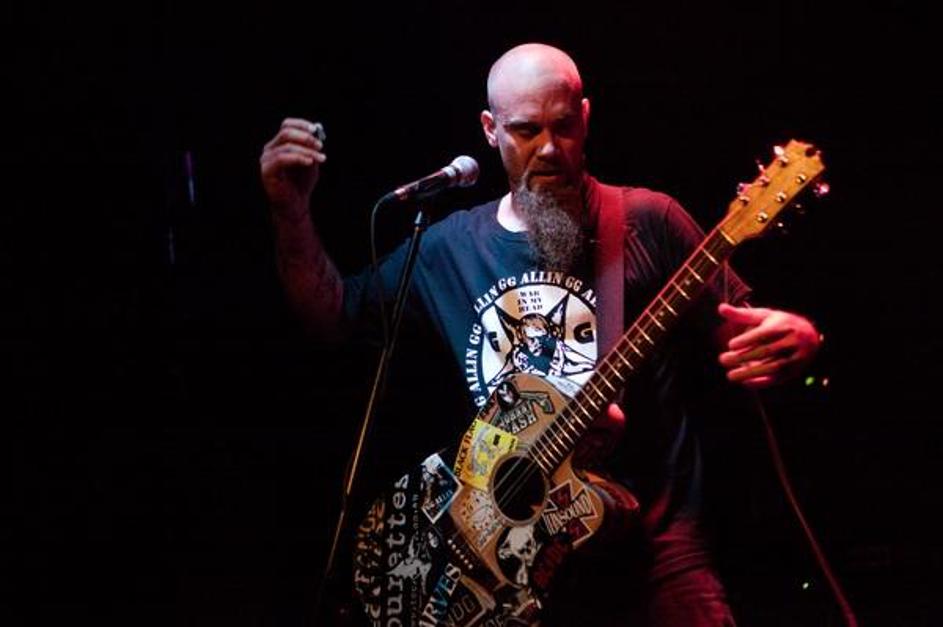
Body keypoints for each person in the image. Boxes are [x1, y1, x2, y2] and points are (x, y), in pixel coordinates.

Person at [260, 43, 820, 626]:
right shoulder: (449, 249)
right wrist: (290, 213)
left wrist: (798, 340)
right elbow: (332, 317)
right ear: (490, 130)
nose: (549, 148)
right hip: (502, 567)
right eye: (526, 130)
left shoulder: (647, 220)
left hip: (655, 555)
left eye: (564, 126)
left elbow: (746, 337)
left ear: (586, 117)